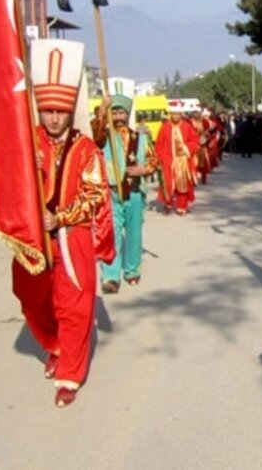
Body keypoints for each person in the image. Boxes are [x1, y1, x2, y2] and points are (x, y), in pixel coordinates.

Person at [17, 51, 114, 407]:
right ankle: (54, 344)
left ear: (69, 111)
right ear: (39, 110)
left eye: (60, 111)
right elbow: (11, 186)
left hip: (72, 238)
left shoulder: (86, 148)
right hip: (31, 240)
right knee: (33, 299)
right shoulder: (27, 144)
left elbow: (96, 196)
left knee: (75, 306)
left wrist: (61, 217)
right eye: (48, 111)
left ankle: (69, 374)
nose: (54, 118)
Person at [93, 94, 158, 294]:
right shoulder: (103, 137)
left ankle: (131, 271)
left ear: (128, 114)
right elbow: (93, 131)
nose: (119, 116)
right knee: (111, 233)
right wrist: (103, 108)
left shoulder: (140, 137)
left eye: (122, 112)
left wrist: (144, 169)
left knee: (134, 233)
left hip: (135, 192)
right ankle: (111, 276)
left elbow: (155, 161)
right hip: (111, 192)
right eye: (115, 112)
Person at [155, 105, 200, 215]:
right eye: (174, 114)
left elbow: (195, 140)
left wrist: (187, 148)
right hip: (168, 159)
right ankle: (168, 204)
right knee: (167, 183)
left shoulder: (186, 126)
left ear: (181, 115)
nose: (176, 116)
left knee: (182, 184)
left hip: (182, 160)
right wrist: (159, 158)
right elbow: (159, 144)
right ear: (171, 114)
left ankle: (182, 206)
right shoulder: (165, 127)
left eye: (178, 114)